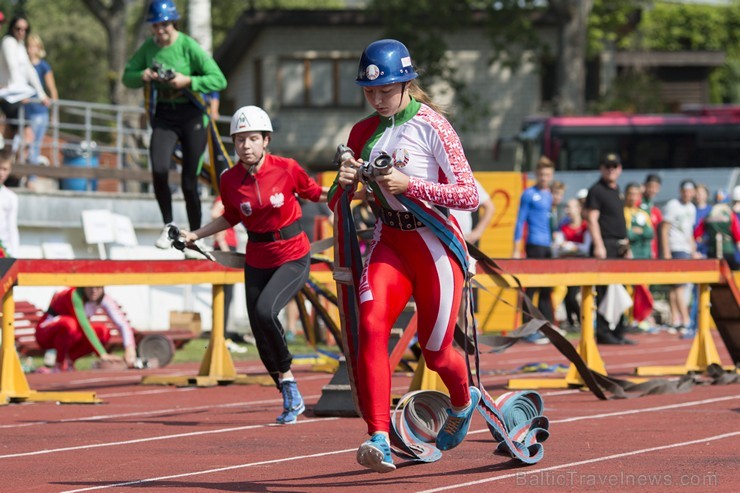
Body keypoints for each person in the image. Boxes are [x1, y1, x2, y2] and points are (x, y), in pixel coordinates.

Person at [330, 39, 481, 473]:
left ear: (406, 83)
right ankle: (377, 435)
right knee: (372, 327)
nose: (377, 99)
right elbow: (339, 198)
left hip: (434, 244)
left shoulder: (434, 126)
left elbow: (468, 194)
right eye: (369, 91)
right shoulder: (361, 132)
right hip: (389, 242)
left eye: (385, 90)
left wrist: (409, 185)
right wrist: (343, 183)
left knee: (435, 354)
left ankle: (462, 400)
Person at [179, 105, 327, 425]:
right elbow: (231, 216)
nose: (246, 145)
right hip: (256, 257)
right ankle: (288, 389)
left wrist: (356, 193)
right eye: (240, 140)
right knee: (260, 334)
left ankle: (287, 378)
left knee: (264, 312)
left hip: (292, 254)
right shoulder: (229, 179)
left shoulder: (287, 168)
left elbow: (316, 193)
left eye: (252, 139)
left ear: (266, 140)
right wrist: (196, 234)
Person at [122, 0, 226, 253]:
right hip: (165, 115)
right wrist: (144, 75)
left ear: (173, 23)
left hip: (192, 115)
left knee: (189, 181)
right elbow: (128, 77)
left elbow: (219, 79)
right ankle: (168, 225)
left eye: (165, 24)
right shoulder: (148, 48)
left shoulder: (188, 45)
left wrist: (187, 80)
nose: (160, 30)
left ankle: (195, 235)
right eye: (156, 25)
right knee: (158, 168)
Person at [585, 153, 634, 345]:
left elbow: (620, 222)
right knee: (604, 291)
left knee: (620, 289)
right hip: (605, 245)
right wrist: (598, 245)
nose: (611, 169)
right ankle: (604, 332)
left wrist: (627, 246)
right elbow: (592, 219)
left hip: (620, 246)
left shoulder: (617, 190)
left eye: (615, 166)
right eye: (608, 166)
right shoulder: (596, 190)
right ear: (601, 168)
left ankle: (619, 331)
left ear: (620, 168)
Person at [35, 286, 137, 372]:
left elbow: (121, 323)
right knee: (70, 324)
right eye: (90, 287)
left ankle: (70, 360)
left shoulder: (104, 298)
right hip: (46, 332)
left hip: (72, 335)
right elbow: (84, 325)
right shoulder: (75, 294)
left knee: (103, 331)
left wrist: (130, 347)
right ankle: (59, 364)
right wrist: (102, 354)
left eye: (98, 287)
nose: (94, 291)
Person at [513, 156, 555, 343]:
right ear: (536, 175)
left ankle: (547, 327)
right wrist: (516, 248)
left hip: (548, 246)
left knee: (547, 288)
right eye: (541, 174)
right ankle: (528, 330)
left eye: (547, 174)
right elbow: (520, 221)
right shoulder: (529, 194)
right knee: (531, 287)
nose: (544, 178)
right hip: (534, 244)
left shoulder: (550, 195)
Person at [0, 15, 49, 159]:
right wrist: (21, 93)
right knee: (28, 135)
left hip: (15, 95)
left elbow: (30, 71)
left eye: (25, 29)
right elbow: (13, 68)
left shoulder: (20, 45)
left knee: (10, 135)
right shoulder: (7, 42)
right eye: (18, 28)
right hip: (9, 96)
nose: (22, 32)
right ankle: (14, 168)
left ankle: (5, 165)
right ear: (12, 28)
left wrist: (41, 94)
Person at [661, 179, 699, 335]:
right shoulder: (673, 205)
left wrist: (693, 249)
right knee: (679, 286)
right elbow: (664, 229)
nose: (687, 194)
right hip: (675, 248)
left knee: (676, 286)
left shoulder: (691, 207)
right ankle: (685, 319)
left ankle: (675, 319)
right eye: (685, 191)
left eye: (690, 191)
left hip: (685, 248)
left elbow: (688, 231)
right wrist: (666, 252)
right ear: (680, 191)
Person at [23, 33, 57, 174]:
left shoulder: (44, 66)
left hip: (39, 112)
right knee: (22, 145)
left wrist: (54, 114)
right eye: (29, 47)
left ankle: (31, 178)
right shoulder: (22, 65)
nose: (31, 50)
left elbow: (52, 90)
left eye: (34, 47)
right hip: (24, 111)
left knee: (34, 147)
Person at [557, 198, 591, 331]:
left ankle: (583, 321)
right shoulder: (563, 227)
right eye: (566, 207)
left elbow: (585, 248)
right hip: (566, 267)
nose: (567, 210)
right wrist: (572, 248)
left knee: (573, 296)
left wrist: (570, 246)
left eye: (570, 207)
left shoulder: (585, 226)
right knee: (567, 295)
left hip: (582, 267)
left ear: (578, 209)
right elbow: (558, 248)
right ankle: (573, 323)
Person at [694, 185, 740, 270]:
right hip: (728, 251)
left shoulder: (707, 215)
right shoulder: (730, 215)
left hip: (712, 252)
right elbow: (738, 236)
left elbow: (697, 235)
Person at [624, 182, 654, 260]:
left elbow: (650, 233)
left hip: (645, 254)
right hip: (630, 254)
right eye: (631, 194)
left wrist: (638, 231)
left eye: (636, 194)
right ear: (626, 194)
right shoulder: (622, 211)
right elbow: (627, 234)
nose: (633, 197)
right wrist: (640, 232)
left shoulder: (643, 213)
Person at [639, 174, 663, 259]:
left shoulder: (656, 210)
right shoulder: (637, 204)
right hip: (639, 251)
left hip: (653, 253)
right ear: (644, 186)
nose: (653, 190)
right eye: (650, 186)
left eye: (656, 187)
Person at [0, 149, 18, 256]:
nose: (1, 173)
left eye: (5, 169)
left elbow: (12, 228)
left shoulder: (11, 197)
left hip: (2, 251)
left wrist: (15, 256)